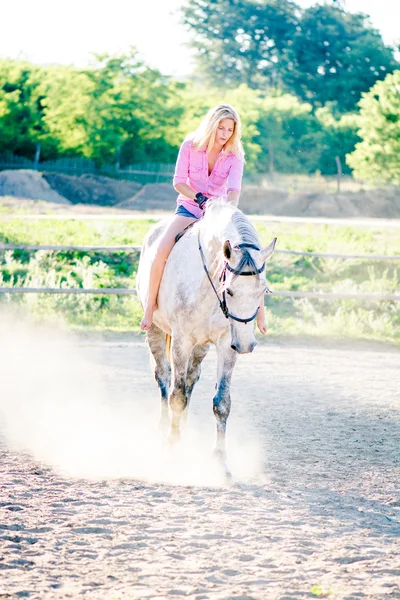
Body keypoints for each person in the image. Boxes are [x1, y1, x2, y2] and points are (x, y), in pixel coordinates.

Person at [140, 104, 267, 335]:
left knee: (249, 253)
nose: (225, 134)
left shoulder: (235, 154)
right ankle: (150, 307)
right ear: (211, 125)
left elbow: (234, 190)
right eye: (221, 128)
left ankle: (260, 315)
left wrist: (228, 211)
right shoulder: (190, 145)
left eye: (230, 130)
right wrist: (198, 198)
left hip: (217, 215)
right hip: (189, 208)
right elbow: (178, 182)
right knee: (160, 250)